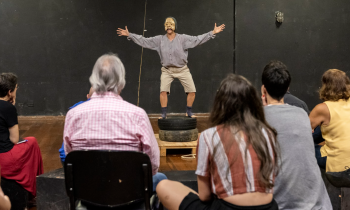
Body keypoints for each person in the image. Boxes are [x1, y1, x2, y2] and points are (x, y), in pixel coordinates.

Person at [156, 74, 279, 210]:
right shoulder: (268, 134)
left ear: (220, 104)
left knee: (163, 186)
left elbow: (204, 196)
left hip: (226, 207)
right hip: (269, 207)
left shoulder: (209, 136)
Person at [63, 53, 166, 192]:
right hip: (129, 193)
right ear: (121, 83)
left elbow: (70, 156)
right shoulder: (138, 115)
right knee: (160, 178)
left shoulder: (73, 115)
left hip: (89, 192)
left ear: (93, 80)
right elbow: (153, 162)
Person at [117, 17, 225, 118]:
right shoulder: (159, 40)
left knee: (192, 91)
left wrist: (212, 33)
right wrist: (130, 35)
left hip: (182, 69)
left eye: (171, 24)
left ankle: (188, 112)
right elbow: (145, 41)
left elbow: (197, 39)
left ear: (175, 26)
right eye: (167, 24)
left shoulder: (182, 39)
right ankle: (163, 114)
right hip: (167, 70)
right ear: (164, 26)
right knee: (163, 91)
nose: (169, 26)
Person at [261, 60, 331, 209]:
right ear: (287, 88)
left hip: (278, 204)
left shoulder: (256, 118)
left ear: (263, 90)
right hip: (319, 205)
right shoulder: (301, 114)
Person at [0, 73, 44, 199]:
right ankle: (33, 192)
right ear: (9, 92)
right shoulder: (8, 108)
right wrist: (11, 107)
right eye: (16, 89)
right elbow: (14, 139)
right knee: (32, 142)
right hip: (4, 158)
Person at [309, 69, 350, 172]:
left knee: (301, 145)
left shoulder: (322, 108)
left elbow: (303, 132)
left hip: (338, 163)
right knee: (324, 127)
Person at [59, 87, 94, 164]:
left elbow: (64, 152)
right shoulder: (124, 110)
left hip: (78, 165)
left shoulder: (74, 111)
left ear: (88, 96)